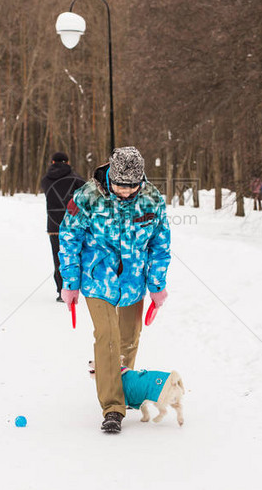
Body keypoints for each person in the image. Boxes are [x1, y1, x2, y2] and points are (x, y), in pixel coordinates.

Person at [58, 146, 172, 434]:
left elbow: (160, 244)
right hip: (97, 278)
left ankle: (123, 387)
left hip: (133, 281)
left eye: (132, 186)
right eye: (121, 185)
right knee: (107, 337)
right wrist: (70, 282)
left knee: (129, 339)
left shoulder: (152, 198)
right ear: (111, 174)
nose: (125, 191)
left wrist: (157, 285)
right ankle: (112, 407)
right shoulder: (86, 196)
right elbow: (69, 237)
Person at [41, 152, 85, 302]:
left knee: (58, 257)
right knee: (74, 256)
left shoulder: (46, 180)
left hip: (53, 226)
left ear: (52, 162)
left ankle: (61, 291)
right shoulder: (76, 178)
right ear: (67, 162)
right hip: (73, 224)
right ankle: (74, 287)